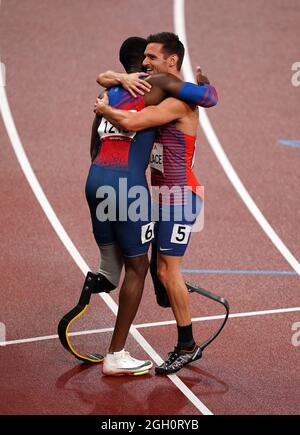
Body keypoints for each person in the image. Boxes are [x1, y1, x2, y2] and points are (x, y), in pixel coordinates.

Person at [94, 32, 218, 375]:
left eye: (151, 58)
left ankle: (187, 346)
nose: (145, 64)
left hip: (180, 196)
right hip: (159, 195)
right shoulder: (158, 89)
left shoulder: (177, 103)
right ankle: (172, 290)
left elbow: (133, 121)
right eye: (143, 58)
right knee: (155, 267)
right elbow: (105, 76)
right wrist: (119, 77)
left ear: (171, 61)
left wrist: (105, 109)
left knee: (166, 269)